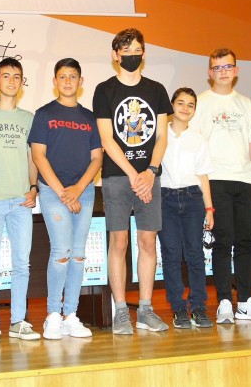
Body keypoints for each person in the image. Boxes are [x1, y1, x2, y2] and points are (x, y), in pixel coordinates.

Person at [93, 28, 172, 334]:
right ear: (116, 55)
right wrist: (133, 174)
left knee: (148, 241)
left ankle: (147, 309)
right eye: (125, 51)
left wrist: (150, 172)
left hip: (149, 177)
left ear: (144, 52)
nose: (131, 55)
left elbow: (162, 136)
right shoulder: (104, 90)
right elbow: (106, 139)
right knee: (119, 241)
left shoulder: (156, 90)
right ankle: (121, 310)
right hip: (117, 177)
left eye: (137, 49)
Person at [189, 48, 251, 324]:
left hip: (245, 180)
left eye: (227, 67)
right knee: (222, 242)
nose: (222, 72)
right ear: (209, 72)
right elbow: (196, 148)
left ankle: (246, 301)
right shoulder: (200, 103)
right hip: (216, 180)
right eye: (217, 68)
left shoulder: (246, 103)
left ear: (236, 71)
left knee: (246, 242)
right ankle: (225, 301)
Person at [29, 58, 103, 340]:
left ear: (81, 82)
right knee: (61, 252)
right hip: (52, 191)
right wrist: (63, 192)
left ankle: (71, 314)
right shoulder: (44, 114)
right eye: (63, 77)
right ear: (55, 81)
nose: (68, 81)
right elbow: (38, 156)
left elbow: (97, 158)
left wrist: (78, 189)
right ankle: (52, 315)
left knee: (78, 254)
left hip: (83, 191)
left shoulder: (90, 118)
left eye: (73, 77)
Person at [0, 58, 40, 344]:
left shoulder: (29, 119)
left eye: (17, 76)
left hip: (20, 201)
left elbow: (33, 158)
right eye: (6, 76)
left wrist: (33, 187)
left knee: (22, 264)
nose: (11, 81)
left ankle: (18, 321)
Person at [157, 88, 215, 329]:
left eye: (190, 105)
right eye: (180, 103)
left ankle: (199, 306)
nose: (185, 108)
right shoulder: (160, 135)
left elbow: (203, 176)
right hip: (164, 198)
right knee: (171, 254)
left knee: (195, 254)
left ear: (194, 110)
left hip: (192, 200)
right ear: (172, 105)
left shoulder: (198, 139)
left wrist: (209, 208)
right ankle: (178, 308)